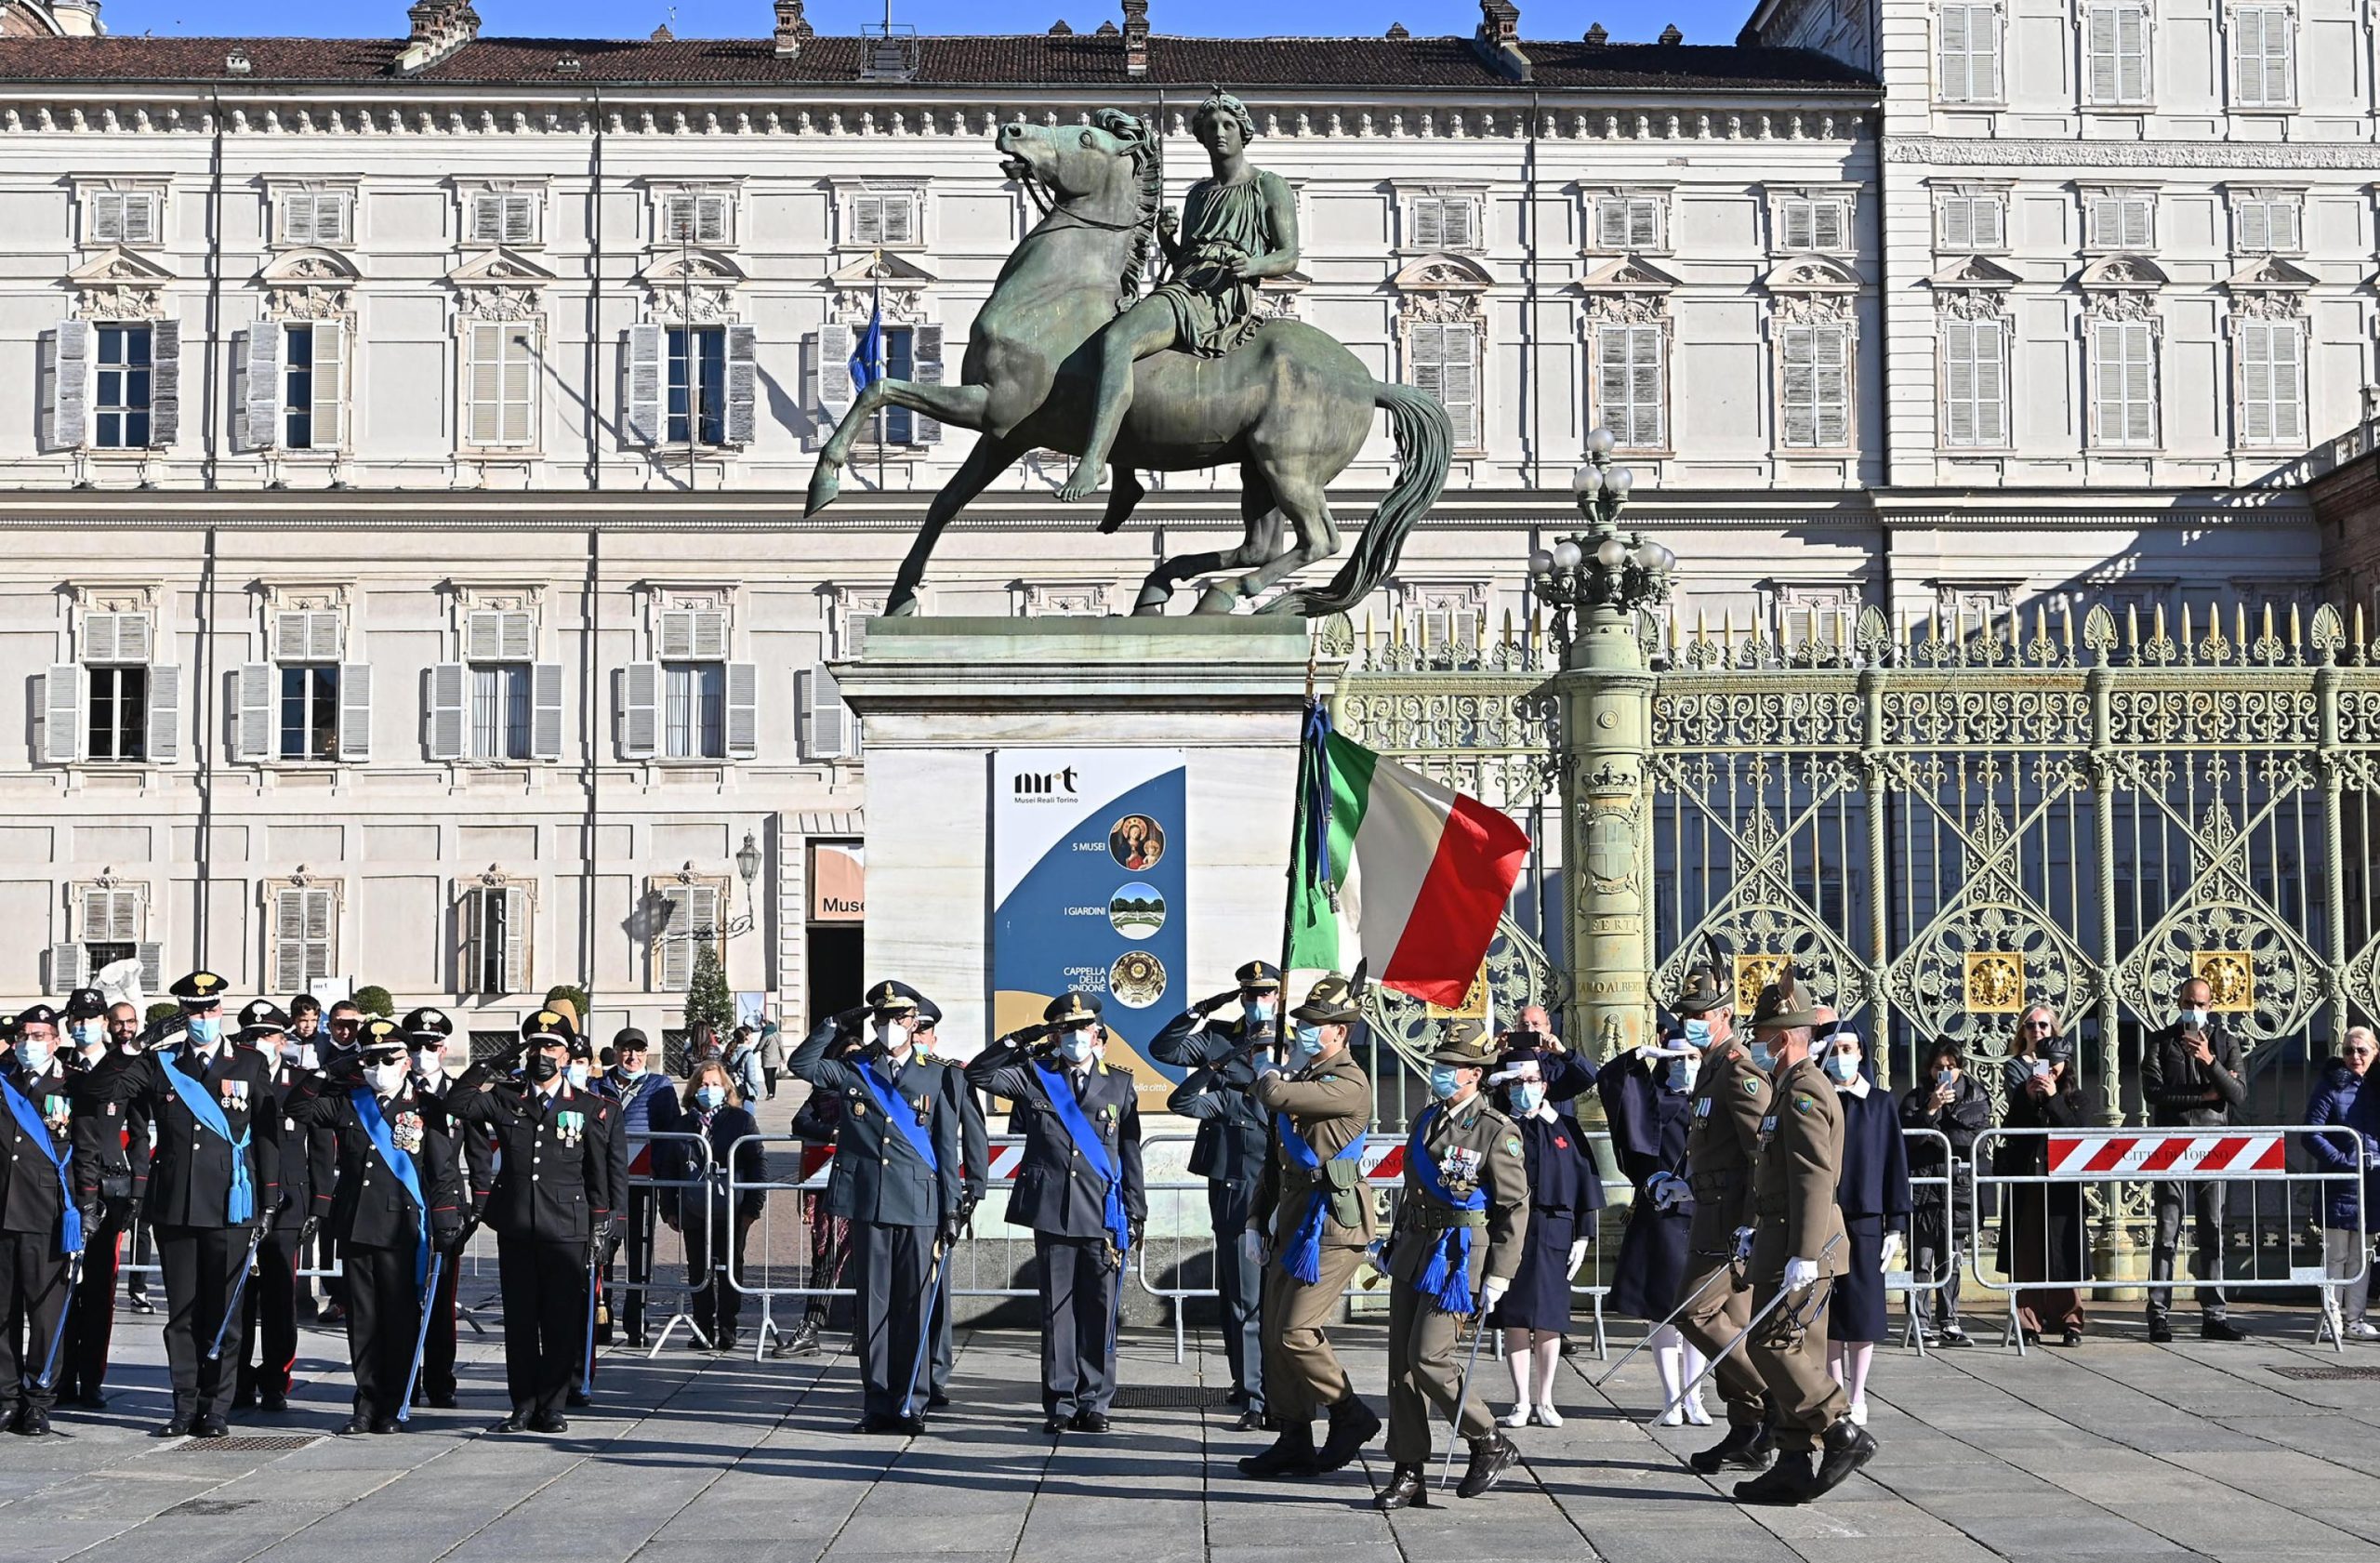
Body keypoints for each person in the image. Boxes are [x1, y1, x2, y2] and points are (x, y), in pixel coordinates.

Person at [1056, 88, 1300, 503]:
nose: (1220, 133)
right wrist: (1168, 240)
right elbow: (1185, 259)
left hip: (1220, 296)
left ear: (1244, 133)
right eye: (1210, 128)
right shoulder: (1197, 195)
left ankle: (1095, 461)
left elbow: (1289, 255)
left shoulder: (1268, 186)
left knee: (1118, 341)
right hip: (1186, 285)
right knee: (1116, 338)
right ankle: (1125, 476)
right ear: (1201, 138)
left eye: (1228, 126)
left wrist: (1253, 266)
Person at [83, 971, 282, 1438]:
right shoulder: (161, 1062)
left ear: (221, 1011)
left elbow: (267, 1140)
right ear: (182, 1014)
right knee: (183, 1315)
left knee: (225, 1315)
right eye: (192, 1011)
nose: (202, 1018)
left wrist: (268, 1201)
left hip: (231, 1204)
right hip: (175, 1204)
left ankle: (216, 1409)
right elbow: (99, 1092)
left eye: (209, 1009)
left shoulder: (249, 1064)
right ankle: (184, 1405)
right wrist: (134, 1047)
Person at [966, 991, 1144, 1436]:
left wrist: (1136, 1210)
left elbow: (1129, 1151)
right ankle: (1061, 1402)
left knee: (1100, 1309)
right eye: (1065, 1030)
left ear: (1097, 1033)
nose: (1075, 1037)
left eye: (1081, 1029)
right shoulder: (1036, 1075)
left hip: (1102, 1212)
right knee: (1057, 1311)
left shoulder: (1119, 1085)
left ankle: (1096, 1400)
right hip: (1052, 1211)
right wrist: (1023, 1039)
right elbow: (979, 1073)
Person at [792, 982, 967, 1432]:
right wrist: (835, 1024)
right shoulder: (855, 1068)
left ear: (914, 1023)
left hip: (920, 1205)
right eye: (881, 1020)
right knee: (874, 1308)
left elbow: (946, 1149)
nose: (890, 1027)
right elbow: (802, 1065)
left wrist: (951, 1209)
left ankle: (912, 1400)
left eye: (898, 1019)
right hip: (869, 1202)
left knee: (913, 1306)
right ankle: (877, 1402)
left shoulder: (940, 1075)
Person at [1374, 1019, 1529, 1511]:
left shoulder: (1495, 1131)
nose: (1440, 1072)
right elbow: (1412, 1190)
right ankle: (1408, 1469)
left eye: (1450, 1066)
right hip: (1415, 1250)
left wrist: (1500, 1273)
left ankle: (1488, 1439)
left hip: (1461, 1257)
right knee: (1401, 1367)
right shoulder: (1426, 1119)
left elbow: (1514, 1206)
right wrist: (1393, 1242)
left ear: (1473, 1075)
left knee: (1429, 1358)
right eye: (1438, 1063)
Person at [1733, 971, 1875, 1506]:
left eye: (1764, 1031)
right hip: (1783, 1235)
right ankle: (1794, 1461)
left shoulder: (1803, 1092)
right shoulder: (1787, 1088)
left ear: (1786, 1035)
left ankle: (1841, 1429)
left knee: (1769, 1344)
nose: (1758, 1041)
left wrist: (1804, 1254)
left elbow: (1815, 1176)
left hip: (1803, 1242)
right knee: (1796, 1353)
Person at [285, 1019, 467, 1434]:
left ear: (406, 1061)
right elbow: (297, 1108)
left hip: (403, 1228)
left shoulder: (425, 1106)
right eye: (372, 1059)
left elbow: (441, 1170)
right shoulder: (350, 1101)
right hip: (356, 1225)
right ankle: (365, 1401)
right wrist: (329, 1069)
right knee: (362, 1320)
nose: (380, 1066)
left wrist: (445, 1225)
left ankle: (395, 1401)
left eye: (390, 1057)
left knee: (400, 1318)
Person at [448, 1007, 615, 1435]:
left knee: (560, 1319)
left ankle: (553, 1406)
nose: (543, 1053)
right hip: (519, 1223)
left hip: (567, 1225)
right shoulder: (506, 1097)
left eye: (552, 1047)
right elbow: (458, 1103)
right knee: (521, 1320)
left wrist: (603, 1225)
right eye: (536, 1046)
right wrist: (493, 1062)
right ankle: (522, 1404)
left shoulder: (590, 1107)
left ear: (566, 1055)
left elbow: (601, 1174)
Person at [1242, 972, 1376, 1477]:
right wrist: (1257, 1219)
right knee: (1275, 1334)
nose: (1306, 1030)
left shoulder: (1348, 1083)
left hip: (1335, 1225)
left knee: (1298, 1330)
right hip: (1294, 1222)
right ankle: (1293, 1433)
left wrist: (1271, 1073)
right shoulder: (1304, 1079)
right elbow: (1278, 1163)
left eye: (1317, 1024)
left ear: (1340, 1032)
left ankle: (1349, 1412)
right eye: (1304, 1022)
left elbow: (1275, 1099)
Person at [1651, 952, 1777, 1476]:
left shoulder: (1737, 1072)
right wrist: (1682, 1184)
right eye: (1687, 1013)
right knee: (1733, 1323)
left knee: (1694, 1312)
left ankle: (1778, 1401)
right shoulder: (1710, 1070)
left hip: (1730, 1221)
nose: (1691, 1023)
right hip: (1710, 1210)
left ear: (1724, 1014)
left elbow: (1761, 1154)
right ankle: (1748, 1431)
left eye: (1701, 1014)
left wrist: (1752, 1221)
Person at [1149, 958, 1279, 1432]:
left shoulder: (1293, 1039)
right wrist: (1204, 1009)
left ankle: (1268, 1383)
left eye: (1266, 994)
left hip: (1280, 1177)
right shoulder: (1220, 1034)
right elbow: (1163, 1048)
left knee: (1270, 1293)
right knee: (1237, 1289)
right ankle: (1248, 1386)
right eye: (1249, 994)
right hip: (1231, 1173)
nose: (1258, 1002)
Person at [1486, 1040, 1601, 1430]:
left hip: (1556, 1232)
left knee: (1549, 1319)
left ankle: (1546, 1398)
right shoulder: (1498, 1125)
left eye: (1532, 1080)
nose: (1525, 1087)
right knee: (1516, 1319)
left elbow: (1585, 1180)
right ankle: (1520, 1400)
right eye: (1516, 1082)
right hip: (1512, 1233)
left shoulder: (1563, 1126)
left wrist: (1584, 1236)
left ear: (1544, 1084)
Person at [1599, 1015, 1708, 1427]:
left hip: (1700, 1214)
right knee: (1662, 1313)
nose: (1684, 1065)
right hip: (1661, 1215)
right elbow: (1616, 1090)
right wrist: (1637, 1058)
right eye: (1676, 1057)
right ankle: (1670, 1396)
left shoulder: (1712, 1098)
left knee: (1696, 1313)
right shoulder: (1655, 1100)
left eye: (1692, 1057)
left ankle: (1694, 1394)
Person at [0, 1003, 98, 1437]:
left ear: (56, 1041)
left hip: (49, 1212)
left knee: (44, 1314)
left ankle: (38, 1398)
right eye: (23, 1036)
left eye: (38, 1036)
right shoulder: (4, 1080)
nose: (29, 1043)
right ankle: (5, 1396)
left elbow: (87, 1151)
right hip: (3, 1211)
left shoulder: (73, 1085)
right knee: (2, 1313)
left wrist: (88, 1206)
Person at [2142, 975, 2250, 1343]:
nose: (2195, 1010)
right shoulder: (2159, 1041)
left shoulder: (2226, 1042)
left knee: (2212, 1230)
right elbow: (2153, 1091)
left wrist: (2210, 1061)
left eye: (2202, 1004)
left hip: (2212, 1143)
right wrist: (2204, 1097)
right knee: (2167, 1230)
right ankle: (2158, 1314)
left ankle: (2214, 1315)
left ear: (2211, 1005)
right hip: (2170, 1143)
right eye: (2189, 1002)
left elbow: (2236, 1094)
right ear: (2179, 1001)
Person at [1812, 1024, 1908, 1428]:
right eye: (1835, 1049)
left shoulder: (1881, 1103)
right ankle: (1834, 1390)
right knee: (1831, 1309)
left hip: (1867, 1215)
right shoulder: (1815, 1098)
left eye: (1849, 1048)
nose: (1841, 1056)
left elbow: (1894, 1164)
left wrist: (1896, 1224)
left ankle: (1859, 1392)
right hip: (1826, 1214)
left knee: (1864, 1310)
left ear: (1862, 1052)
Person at [233, 1000, 325, 1416]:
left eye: (267, 1036)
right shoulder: (230, 1079)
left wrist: (319, 1204)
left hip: (288, 1202)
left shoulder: (299, 1081)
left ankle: (276, 1379)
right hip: (239, 1198)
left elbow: (321, 1146)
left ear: (283, 1040)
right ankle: (235, 1379)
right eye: (251, 1037)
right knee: (237, 1297)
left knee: (278, 1298)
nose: (259, 1044)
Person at [60, 992, 148, 1411]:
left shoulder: (126, 1065)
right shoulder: (57, 1065)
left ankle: (91, 1376)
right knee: (57, 1286)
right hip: (61, 1188)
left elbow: (140, 1132)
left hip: (109, 1189)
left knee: (99, 1290)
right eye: (77, 1017)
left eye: (91, 1017)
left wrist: (138, 1188)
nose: (83, 1024)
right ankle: (58, 1374)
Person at [402, 1007, 486, 1410]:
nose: (423, 1053)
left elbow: (480, 1153)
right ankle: (404, 1377)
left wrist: (480, 1206)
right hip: (400, 1206)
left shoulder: (459, 1096)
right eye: (416, 1045)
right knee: (402, 1299)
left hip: (445, 1209)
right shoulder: (398, 1091)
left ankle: (440, 1380)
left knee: (440, 1302)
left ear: (444, 1048)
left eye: (431, 1046)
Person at [908, 990, 986, 1411]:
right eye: (912, 1028)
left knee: (935, 1293)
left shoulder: (948, 1075)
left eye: (924, 1031)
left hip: (939, 1198)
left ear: (934, 1037)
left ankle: (935, 1373)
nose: (917, 1037)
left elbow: (973, 1133)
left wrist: (974, 1187)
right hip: (900, 1194)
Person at [657, 1058, 767, 1353]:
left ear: (725, 1087)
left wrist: (753, 1207)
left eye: (715, 1084)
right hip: (694, 1211)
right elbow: (668, 1167)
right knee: (698, 1271)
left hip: (732, 1210)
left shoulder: (740, 1119)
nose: (709, 1089)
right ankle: (702, 1327)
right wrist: (667, 1208)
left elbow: (757, 1162)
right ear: (694, 1089)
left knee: (730, 1270)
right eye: (704, 1084)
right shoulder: (682, 1124)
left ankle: (728, 1328)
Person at [779, 1011, 864, 1360]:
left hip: (872, 1187)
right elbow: (800, 1121)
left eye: (856, 1057)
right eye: (846, 1057)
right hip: (833, 1187)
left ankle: (865, 1332)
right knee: (826, 1258)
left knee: (868, 1264)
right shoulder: (825, 1089)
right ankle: (811, 1327)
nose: (850, 1063)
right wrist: (830, 1132)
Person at [1898, 1039, 1990, 1347]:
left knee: (1951, 1259)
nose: (1945, 1073)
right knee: (1922, 1259)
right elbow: (1907, 1139)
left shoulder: (1976, 1097)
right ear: (1930, 1069)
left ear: (1961, 1068)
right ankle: (1919, 1321)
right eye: (1939, 1067)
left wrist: (1942, 1124)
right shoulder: (1916, 1099)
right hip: (1924, 1190)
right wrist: (1932, 1109)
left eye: (1951, 1067)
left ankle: (1950, 1321)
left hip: (1958, 1190)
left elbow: (1973, 1140)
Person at [2002, 1031, 2091, 1346]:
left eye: (2056, 1066)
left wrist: (2053, 1098)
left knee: (2063, 1253)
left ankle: (2070, 1320)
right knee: (2028, 1253)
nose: (2049, 1071)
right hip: (2029, 1182)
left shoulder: (2075, 1096)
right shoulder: (2025, 1093)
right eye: (2044, 1065)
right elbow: (2012, 1131)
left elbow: (2077, 1132)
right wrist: (2027, 1099)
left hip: (2062, 1189)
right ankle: (2028, 1321)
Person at [598, 1027, 679, 1350]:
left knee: (638, 1255)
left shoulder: (659, 1086)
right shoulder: (599, 1084)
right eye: (626, 1051)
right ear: (616, 1052)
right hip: (604, 1184)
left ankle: (637, 1324)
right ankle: (601, 1321)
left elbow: (669, 1132)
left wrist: (664, 1181)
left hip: (642, 1184)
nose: (633, 1057)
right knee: (601, 1253)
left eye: (639, 1051)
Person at [2303, 1027, 2376, 1341]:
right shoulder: (2330, 1086)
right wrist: (2341, 1161)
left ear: (2375, 1052)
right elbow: (2311, 1131)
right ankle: (2332, 1314)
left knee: (2363, 1255)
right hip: (2340, 1183)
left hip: (2373, 1182)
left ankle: (2356, 1320)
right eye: (2349, 1050)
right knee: (2336, 1255)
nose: (2355, 1057)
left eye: (2361, 1050)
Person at [723, 1027, 768, 1106]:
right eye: (751, 1034)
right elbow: (751, 1076)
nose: (752, 1036)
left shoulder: (729, 1051)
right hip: (744, 1091)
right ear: (746, 1036)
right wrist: (755, 1091)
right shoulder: (748, 1054)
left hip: (730, 1089)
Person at [759, 1022, 788, 1101]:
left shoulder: (766, 1035)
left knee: (767, 1077)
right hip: (776, 1059)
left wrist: (754, 1050)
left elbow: (760, 1046)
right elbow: (781, 1047)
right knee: (773, 1077)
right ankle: (773, 1094)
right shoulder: (777, 1035)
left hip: (767, 1059)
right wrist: (783, 1057)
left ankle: (770, 1093)